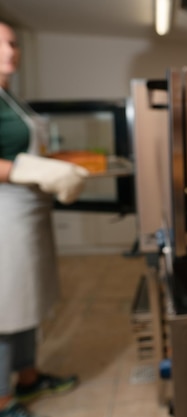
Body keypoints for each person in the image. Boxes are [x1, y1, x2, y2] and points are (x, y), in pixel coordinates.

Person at [0, 20, 86, 417]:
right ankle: (2, 400)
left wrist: (55, 167)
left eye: (14, 43)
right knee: (6, 305)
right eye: (2, 44)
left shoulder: (9, 98)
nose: (11, 50)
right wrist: (24, 171)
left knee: (28, 296)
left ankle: (29, 378)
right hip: (5, 211)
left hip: (29, 209)